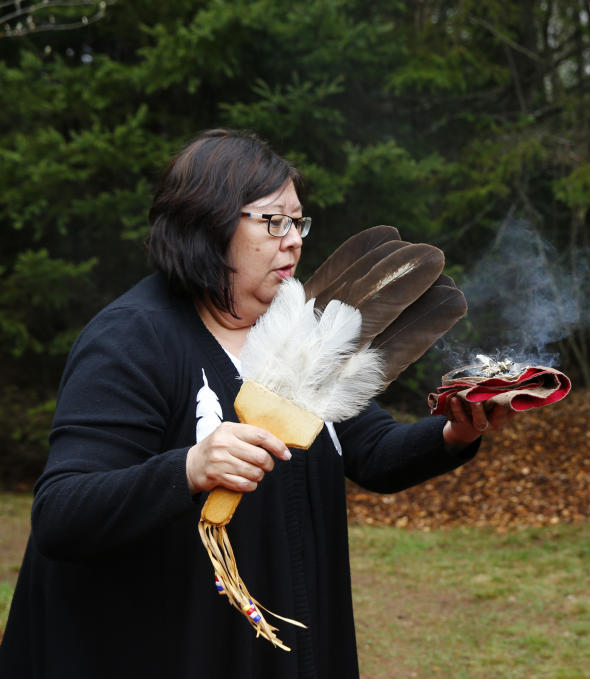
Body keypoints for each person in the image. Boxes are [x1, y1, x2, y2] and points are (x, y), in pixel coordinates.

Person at [0, 129, 508, 678]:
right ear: (208, 224)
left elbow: (371, 451)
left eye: (298, 222)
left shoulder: (293, 329)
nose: (293, 240)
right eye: (273, 221)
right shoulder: (131, 339)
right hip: (173, 651)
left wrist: (456, 433)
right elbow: (62, 513)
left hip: (286, 641)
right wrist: (190, 467)